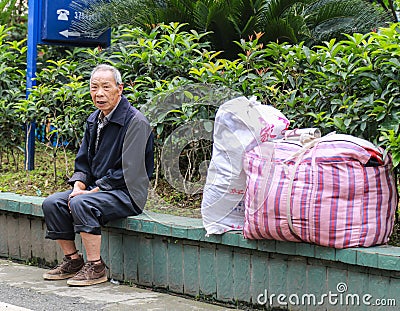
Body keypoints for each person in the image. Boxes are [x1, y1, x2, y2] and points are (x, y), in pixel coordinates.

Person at [41, 64, 154, 286]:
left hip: (126, 193)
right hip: (97, 190)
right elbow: (83, 160)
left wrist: (96, 188)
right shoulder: (95, 119)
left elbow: (132, 170)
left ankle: (95, 267)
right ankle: (73, 260)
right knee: (53, 203)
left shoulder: (136, 122)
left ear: (119, 89)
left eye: (106, 87)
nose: (99, 93)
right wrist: (79, 184)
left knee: (81, 203)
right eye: (94, 87)